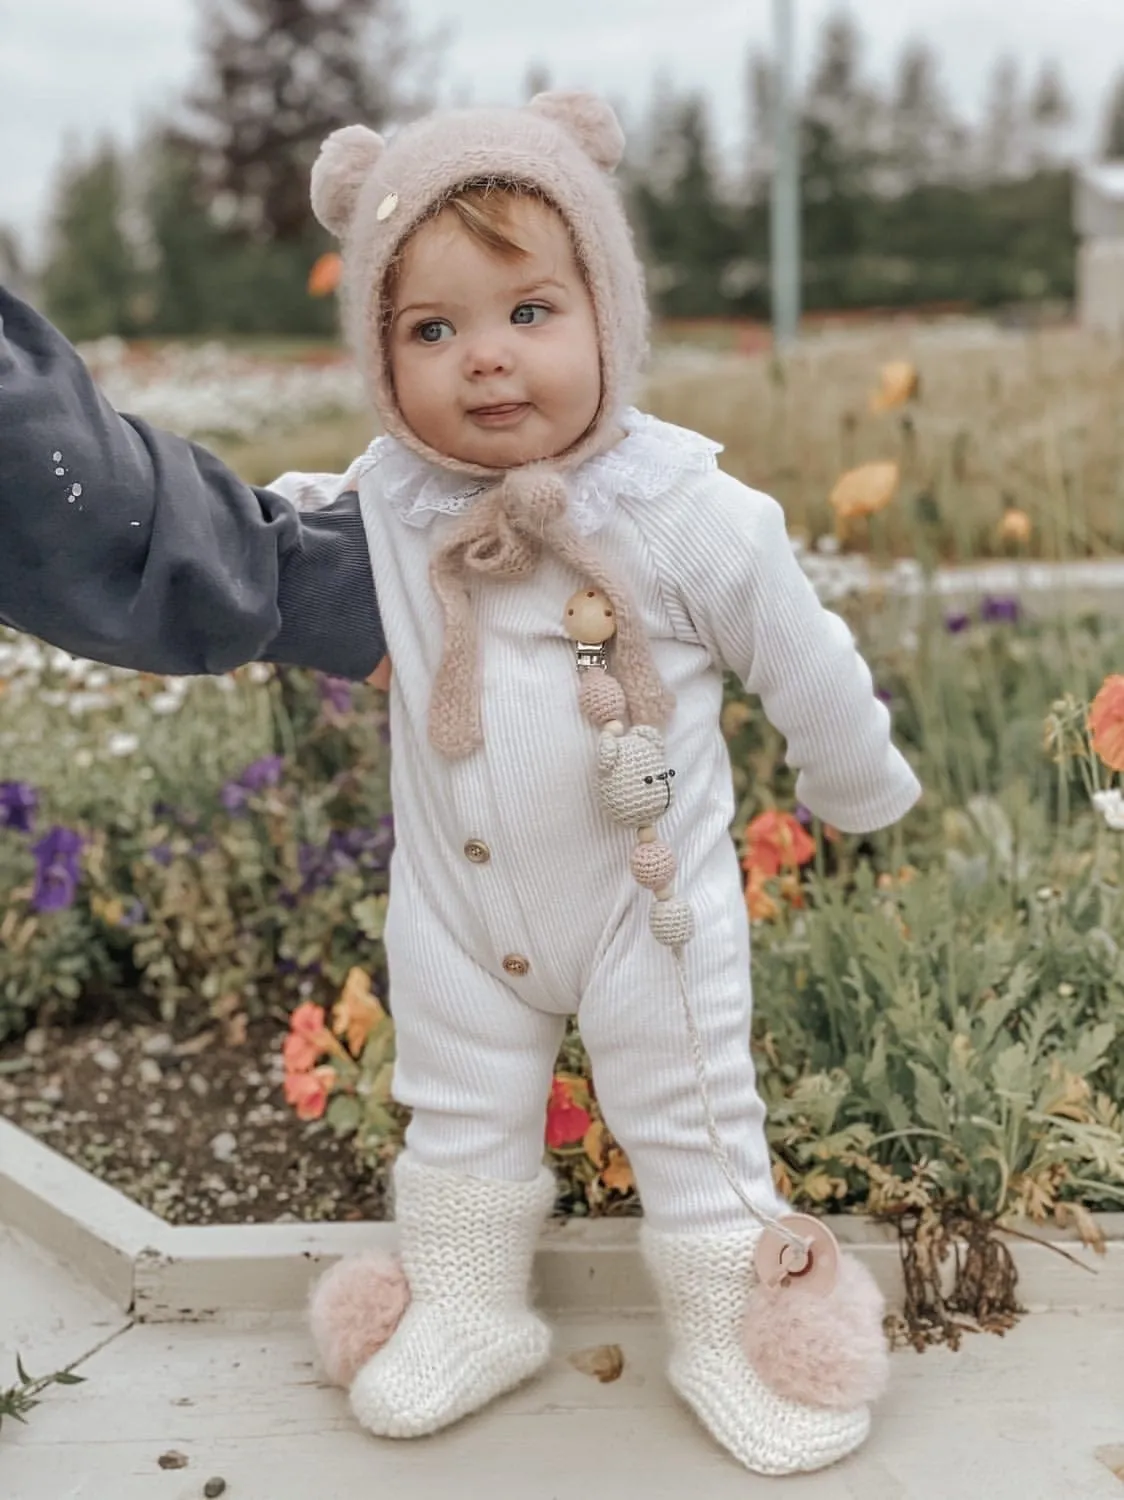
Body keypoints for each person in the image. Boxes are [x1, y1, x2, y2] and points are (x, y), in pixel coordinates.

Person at [0, 92, 920, 1477]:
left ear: (608, 314)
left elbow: (810, 663)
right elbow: (255, 552)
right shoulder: (383, 509)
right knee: (458, 1104)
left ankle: (738, 1331)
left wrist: (857, 791)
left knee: (693, 1116)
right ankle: (469, 1307)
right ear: (383, 355)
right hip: (453, 914)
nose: (484, 360)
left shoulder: (688, 513)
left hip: (646, 916)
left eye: (529, 313)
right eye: (430, 330)